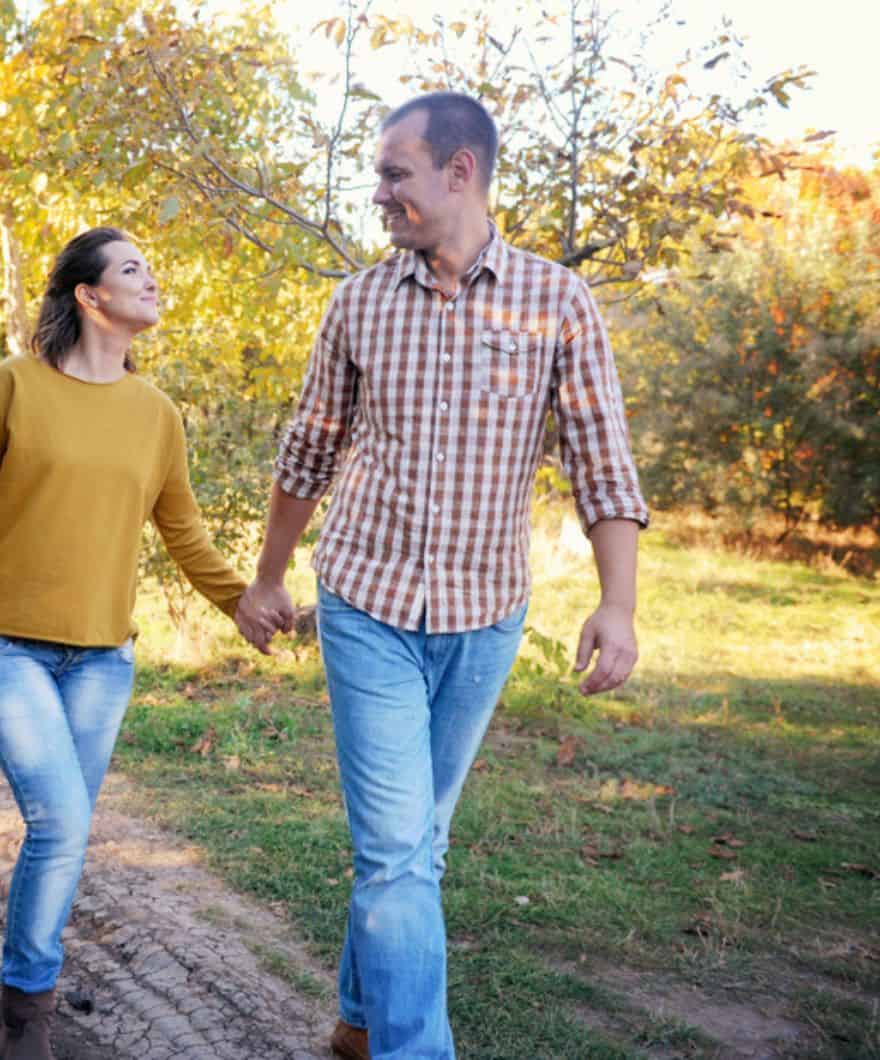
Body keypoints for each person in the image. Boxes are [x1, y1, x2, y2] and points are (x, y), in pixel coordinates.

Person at [240, 92, 649, 1060]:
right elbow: (310, 451)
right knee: (395, 851)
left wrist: (618, 602)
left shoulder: (555, 302)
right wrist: (266, 577)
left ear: (458, 173)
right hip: (366, 601)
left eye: (394, 173)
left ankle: (355, 1018)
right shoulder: (358, 301)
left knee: (415, 843)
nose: (377, 193)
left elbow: (604, 461)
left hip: (483, 613)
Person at [0, 226, 278, 1060]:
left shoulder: (156, 415)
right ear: (89, 295)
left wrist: (240, 604)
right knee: (61, 824)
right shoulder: (12, 387)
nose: (153, 280)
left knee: (62, 832)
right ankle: (30, 1023)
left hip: (102, 662)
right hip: (1, 649)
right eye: (132, 269)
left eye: (152, 266)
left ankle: (10, 1009)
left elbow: (181, 532)